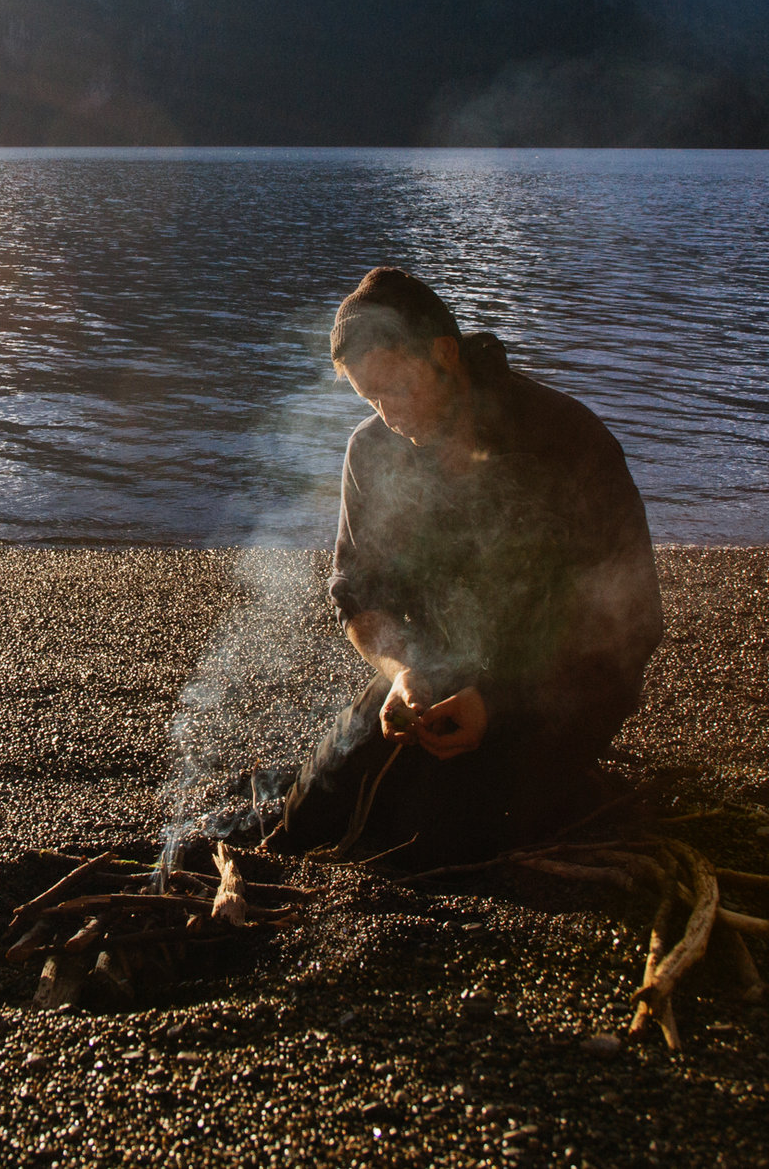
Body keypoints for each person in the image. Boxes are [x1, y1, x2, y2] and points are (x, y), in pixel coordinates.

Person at [270, 266, 662, 865]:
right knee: (315, 808)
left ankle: (571, 789)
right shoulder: (372, 451)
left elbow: (628, 625)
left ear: (445, 353)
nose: (388, 413)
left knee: (434, 841)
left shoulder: (563, 439)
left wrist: (500, 700)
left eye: (397, 389)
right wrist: (401, 670)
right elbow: (360, 599)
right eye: (370, 398)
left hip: (566, 687)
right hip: (443, 671)